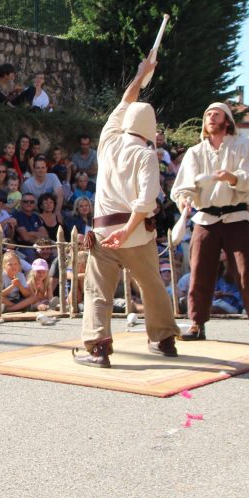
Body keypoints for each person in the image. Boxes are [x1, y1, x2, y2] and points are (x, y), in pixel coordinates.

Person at [74, 58, 180, 368]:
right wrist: (130, 228)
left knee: (98, 291)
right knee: (152, 285)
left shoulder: (107, 142)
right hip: (135, 233)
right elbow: (146, 201)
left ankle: (98, 348)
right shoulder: (146, 154)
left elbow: (126, 100)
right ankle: (163, 339)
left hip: (105, 232)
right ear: (150, 128)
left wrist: (140, 74)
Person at [171, 101, 249, 347]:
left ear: (227, 121)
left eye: (216, 114)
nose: (211, 117)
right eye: (207, 114)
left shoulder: (242, 145)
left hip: (236, 216)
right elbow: (182, 187)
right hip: (205, 218)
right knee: (199, 272)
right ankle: (197, 324)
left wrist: (232, 177)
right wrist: (184, 200)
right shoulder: (195, 152)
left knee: (246, 272)